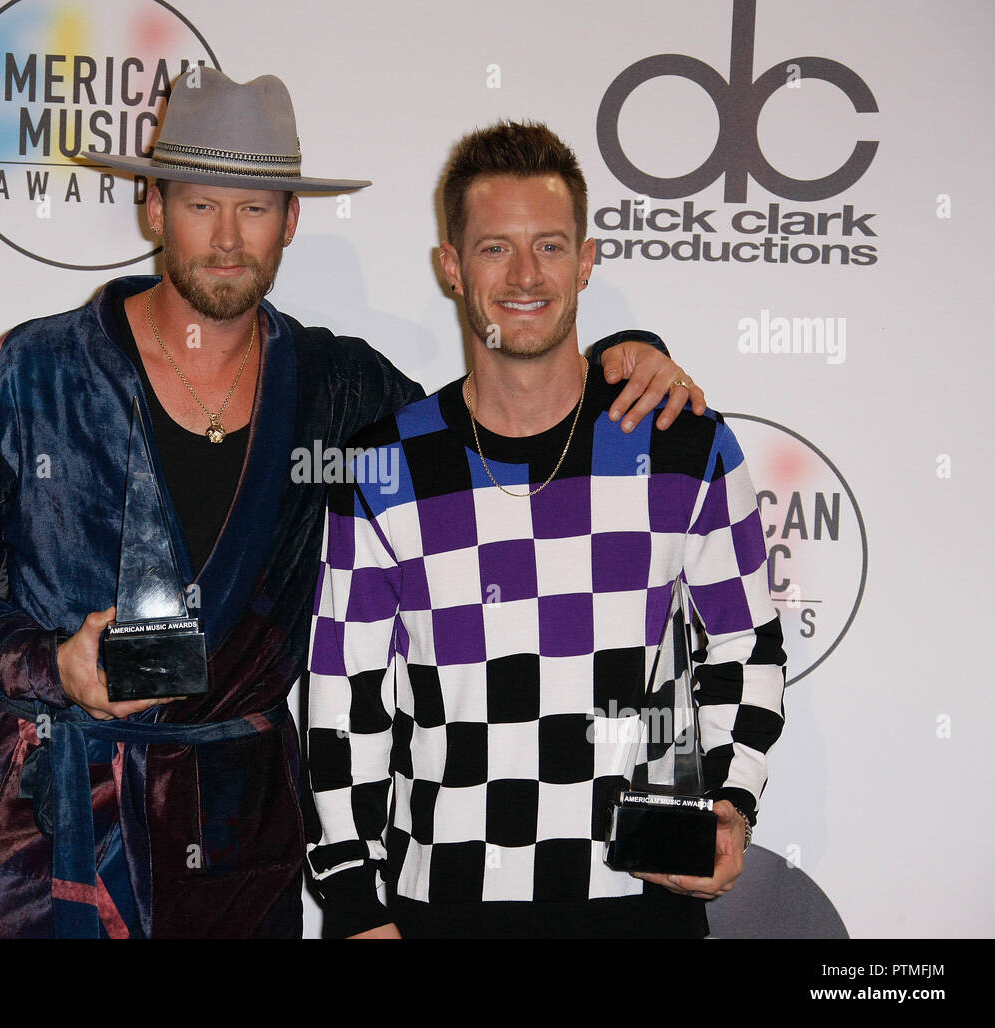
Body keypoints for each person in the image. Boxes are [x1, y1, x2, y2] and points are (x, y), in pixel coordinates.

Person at [0, 72, 707, 939]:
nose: (228, 239)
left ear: (292, 221)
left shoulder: (339, 390)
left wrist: (621, 355)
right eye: (202, 205)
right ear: (154, 209)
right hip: (41, 836)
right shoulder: (31, 373)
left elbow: (497, 427)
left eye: (257, 209)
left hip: (236, 847)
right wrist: (51, 665)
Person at [305, 120, 786, 939]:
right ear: (451, 267)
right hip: (442, 905)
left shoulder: (683, 445)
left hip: (642, 901)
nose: (525, 276)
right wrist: (353, 902)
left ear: (588, 260)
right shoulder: (385, 466)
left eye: (551, 247)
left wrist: (731, 805)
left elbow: (746, 641)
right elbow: (343, 698)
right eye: (495, 249)